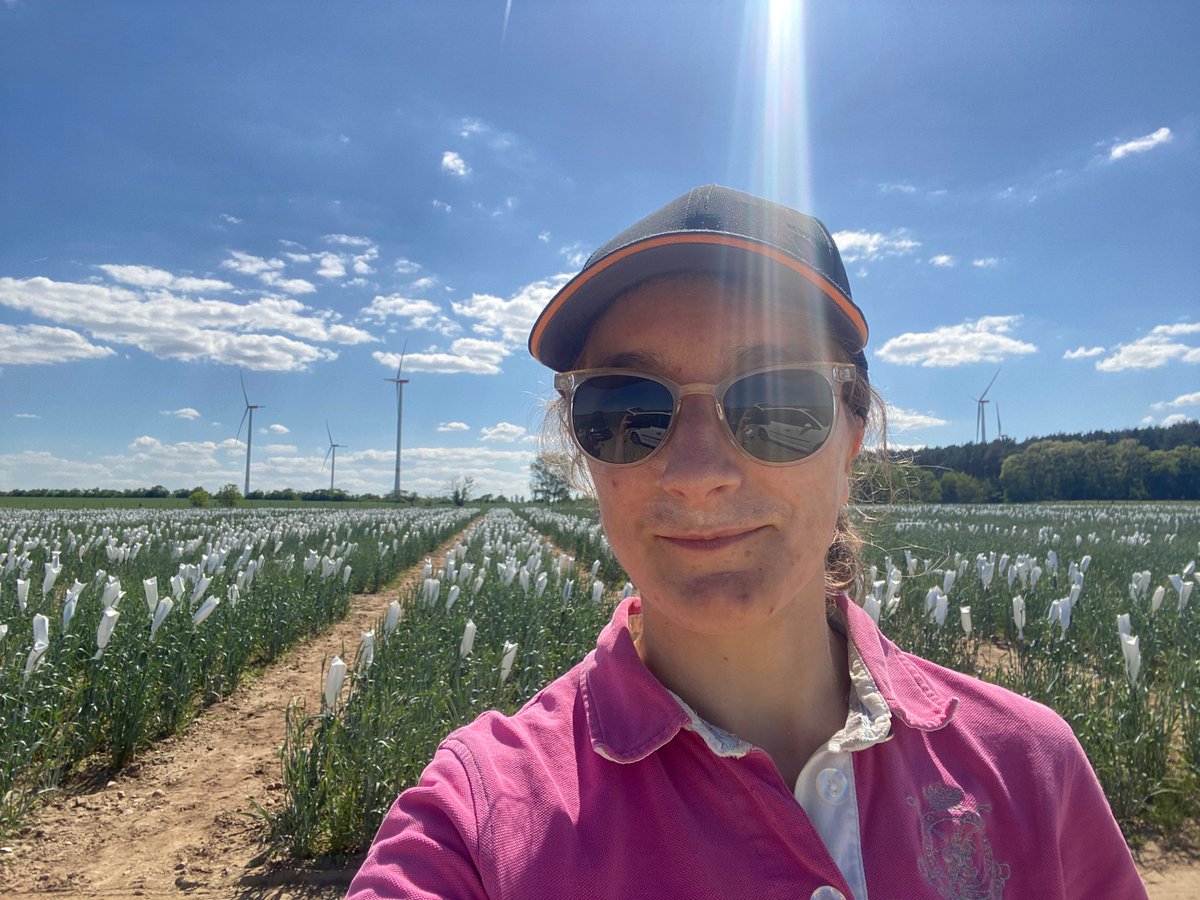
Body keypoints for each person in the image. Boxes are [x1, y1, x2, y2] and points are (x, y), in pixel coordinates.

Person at [348, 185, 1146, 899]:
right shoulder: (483, 819)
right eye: (626, 412)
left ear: (853, 437)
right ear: (582, 451)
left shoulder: (1030, 770)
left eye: (776, 403)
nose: (698, 474)